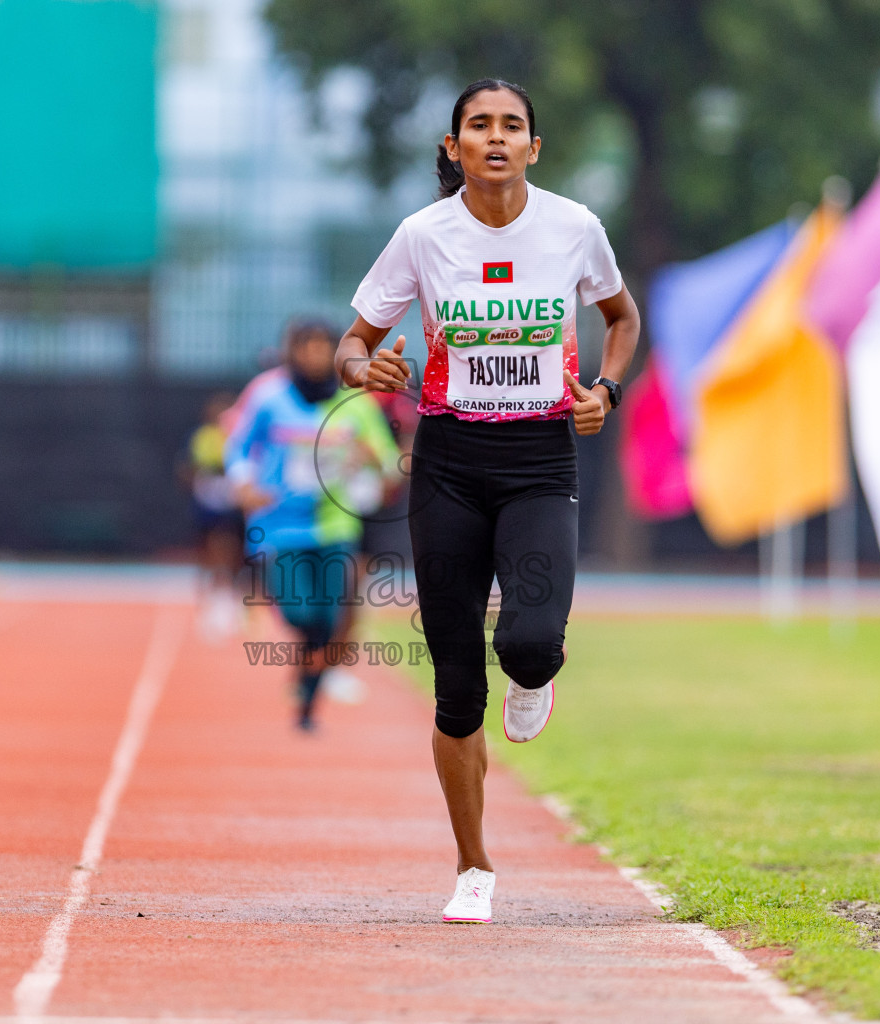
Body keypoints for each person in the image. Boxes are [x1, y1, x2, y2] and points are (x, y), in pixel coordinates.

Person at [335, 79, 640, 923]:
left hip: (541, 459)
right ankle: (473, 866)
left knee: (533, 642)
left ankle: (536, 674)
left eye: (512, 126)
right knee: (456, 680)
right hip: (448, 462)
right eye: (480, 126)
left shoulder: (575, 228)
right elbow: (353, 342)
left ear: (534, 148)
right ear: (453, 146)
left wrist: (605, 389)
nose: (496, 138)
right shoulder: (423, 237)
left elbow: (622, 317)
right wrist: (368, 369)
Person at [225, 318, 402, 730]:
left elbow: (390, 464)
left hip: (334, 526)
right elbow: (237, 444)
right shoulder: (267, 394)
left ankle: (307, 699)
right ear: (291, 350)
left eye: (324, 347)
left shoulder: (355, 402)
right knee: (300, 613)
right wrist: (243, 483)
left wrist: (366, 457)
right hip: (278, 524)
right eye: (306, 347)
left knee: (327, 619)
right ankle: (307, 674)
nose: (315, 355)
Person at [185, 392, 247, 642]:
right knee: (209, 547)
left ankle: (232, 597)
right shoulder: (204, 436)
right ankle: (209, 597)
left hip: (231, 497)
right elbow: (197, 463)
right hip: (209, 499)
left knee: (234, 546)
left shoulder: (237, 434)